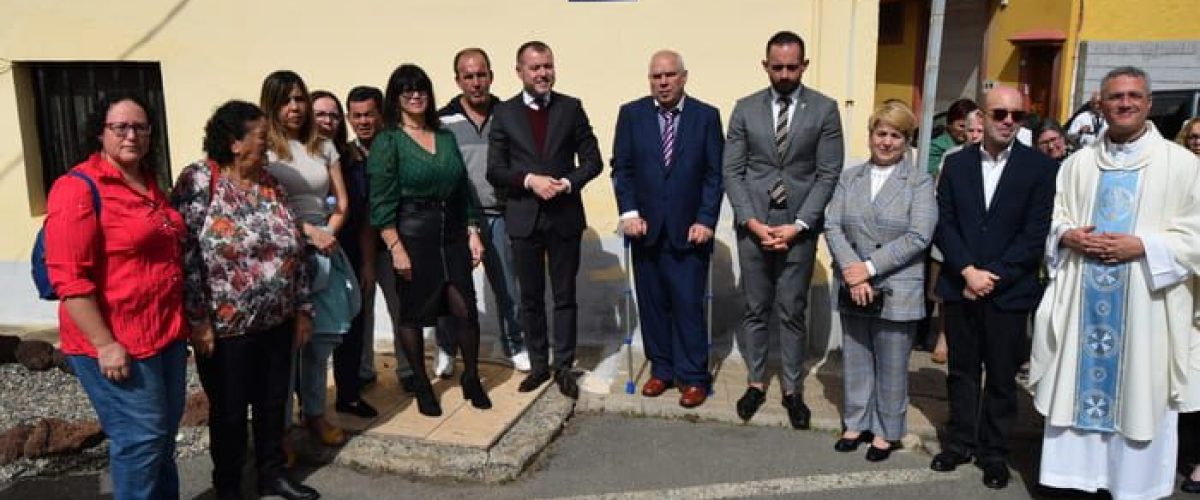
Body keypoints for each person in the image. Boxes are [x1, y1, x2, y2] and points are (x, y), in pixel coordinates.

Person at [1030, 67, 1200, 499]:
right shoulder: (1077, 164)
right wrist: (1068, 236)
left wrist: (1142, 247)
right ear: (1100, 105)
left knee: (1141, 392)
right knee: (1075, 388)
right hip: (1082, 303)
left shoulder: (1182, 165)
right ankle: (1078, 481)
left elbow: (1196, 236)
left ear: (1148, 104)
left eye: (1134, 96)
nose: (1125, 103)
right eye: (1115, 97)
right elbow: (1056, 218)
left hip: (1147, 306)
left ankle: (1134, 485)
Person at [172, 100, 319, 500]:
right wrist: (198, 320)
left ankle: (272, 475)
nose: (268, 144)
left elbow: (295, 247)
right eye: (260, 136)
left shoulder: (271, 183)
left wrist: (303, 309)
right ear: (235, 143)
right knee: (231, 413)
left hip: (278, 321)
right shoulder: (199, 181)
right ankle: (230, 486)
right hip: (225, 328)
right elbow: (184, 255)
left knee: (273, 405)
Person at [46, 94, 188, 500]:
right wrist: (105, 344)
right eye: (120, 127)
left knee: (160, 438)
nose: (132, 135)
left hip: (164, 334)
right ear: (100, 132)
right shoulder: (78, 188)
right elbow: (69, 278)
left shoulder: (147, 181)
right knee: (140, 440)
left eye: (140, 127)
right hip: (118, 340)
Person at [928, 85, 1057, 489]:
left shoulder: (1040, 168)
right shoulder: (956, 164)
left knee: (1002, 378)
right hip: (961, 286)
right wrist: (967, 271)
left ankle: (994, 452)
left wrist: (991, 276)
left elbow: (1034, 234)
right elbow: (944, 222)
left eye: (1016, 116)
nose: (1007, 121)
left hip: (1009, 291)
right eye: (999, 113)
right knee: (962, 371)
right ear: (981, 118)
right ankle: (961, 442)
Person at [723, 30, 844, 428]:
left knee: (792, 311)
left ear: (804, 65)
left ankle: (793, 390)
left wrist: (798, 225)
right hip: (753, 225)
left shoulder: (824, 110)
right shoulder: (744, 108)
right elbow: (733, 171)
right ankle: (756, 383)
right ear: (766, 66)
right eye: (778, 67)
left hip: (800, 228)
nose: (785, 74)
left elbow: (827, 174)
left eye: (793, 67)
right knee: (755, 308)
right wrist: (753, 222)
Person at [369, 63, 492, 416]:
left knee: (464, 309)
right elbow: (380, 202)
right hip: (412, 232)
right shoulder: (387, 141)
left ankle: (471, 376)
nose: (415, 94)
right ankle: (422, 386)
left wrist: (472, 231)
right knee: (412, 314)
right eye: (406, 89)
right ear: (396, 97)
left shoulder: (445, 136)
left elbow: (461, 191)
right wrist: (395, 247)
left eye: (421, 87)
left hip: (452, 232)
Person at [486, 41, 604, 399]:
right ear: (520, 71)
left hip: (564, 217)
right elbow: (496, 170)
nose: (543, 73)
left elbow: (593, 160)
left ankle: (564, 366)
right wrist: (529, 181)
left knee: (565, 296)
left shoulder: (571, 108)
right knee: (530, 297)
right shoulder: (504, 113)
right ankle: (539, 365)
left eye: (548, 66)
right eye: (535, 68)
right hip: (523, 218)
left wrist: (568, 182)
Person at [611, 50, 724, 408]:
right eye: (656, 76)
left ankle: (693, 377)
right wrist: (628, 212)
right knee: (653, 304)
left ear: (684, 77)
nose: (662, 82)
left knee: (687, 305)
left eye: (669, 75)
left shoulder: (706, 117)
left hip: (690, 232)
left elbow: (713, 174)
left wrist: (706, 219)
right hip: (646, 230)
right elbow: (622, 168)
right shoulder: (632, 114)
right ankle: (661, 369)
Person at [825, 101, 935, 462]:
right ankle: (855, 422)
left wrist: (869, 268)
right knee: (856, 357)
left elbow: (919, 235)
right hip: (853, 282)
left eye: (896, 135)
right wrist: (853, 272)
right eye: (881, 133)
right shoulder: (850, 177)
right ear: (871, 135)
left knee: (891, 364)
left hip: (896, 285)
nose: (886, 142)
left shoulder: (919, 181)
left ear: (907, 141)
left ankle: (887, 431)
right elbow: (833, 225)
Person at [260, 71, 358, 448]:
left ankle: (314, 413)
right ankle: (281, 430)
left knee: (320, 342)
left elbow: (342, 201)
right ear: (272, 104)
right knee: (286, 347)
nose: (295, 107)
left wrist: (327, 235)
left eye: (300, 98)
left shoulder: (324, 146)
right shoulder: (264, 147)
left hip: (324, 247)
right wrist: (306, 233)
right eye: (285, 100)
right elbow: (263, 205)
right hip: (281, 249)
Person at [436, 47, 531, 375]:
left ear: (491, 75)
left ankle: (516, 346)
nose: (476, 82)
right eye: (468, 76)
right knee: (452, 289)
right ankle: (447, 350)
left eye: (481, 75)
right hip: (459, 219)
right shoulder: (441, 120)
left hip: (502, 215)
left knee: (508, 288)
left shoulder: (509, 115)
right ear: (458, 80)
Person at [337, 86, 421, 394]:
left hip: (396, 246)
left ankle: (409, 368)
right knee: (362, 310)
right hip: (357, 249)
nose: (363, 121)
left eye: (369, 114)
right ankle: (363, 369)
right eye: (356, 116)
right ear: (348, 118)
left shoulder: (400, 148)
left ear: (381, 115)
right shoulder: (344, 157)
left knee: (402, 310)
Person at [309, 89, 380, 419]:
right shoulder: (295, 159)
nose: (327, 120)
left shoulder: (353, 160)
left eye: (334, 115)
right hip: (306, 247)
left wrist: (367, 263)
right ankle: (308, 404)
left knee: (352, 321)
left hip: (348, 248)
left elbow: (363, 216)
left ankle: (348, 393)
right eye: (320, 114)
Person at [928, 108, 985, 364]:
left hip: (979, 239)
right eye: (969, 130)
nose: (974, 135)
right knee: (945, 292)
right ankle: (943, 335)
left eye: (979, 131)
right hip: (952, 235)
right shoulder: (952, 157)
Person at [1176, 115, 1200, 494]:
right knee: (1187, 380)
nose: (1198, 142)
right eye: (1193, 137)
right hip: (1183, 291)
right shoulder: (1180, 177)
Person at [926, 98, 979, 176]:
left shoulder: (978, 145)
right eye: (962, 126)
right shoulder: (936, 147)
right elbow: (932, 175)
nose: (966, 131)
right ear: (949, 124)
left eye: (970, 126)